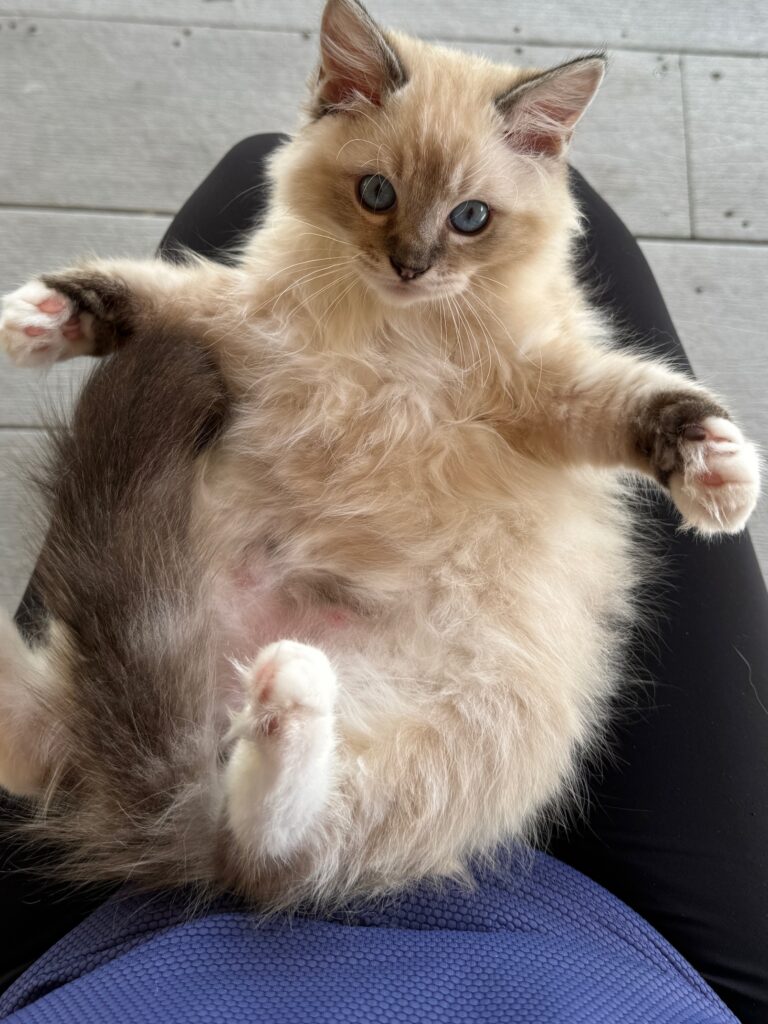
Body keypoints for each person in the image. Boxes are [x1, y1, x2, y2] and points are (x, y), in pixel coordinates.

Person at [2, 136, 766, 1023]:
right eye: (379, 197)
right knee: (506, 711)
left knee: (154, 505)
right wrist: (671, 434)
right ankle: (262, 805)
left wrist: (107, 308)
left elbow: (240, 316)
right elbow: (564, 390)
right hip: (590, 974)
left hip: (128, 968)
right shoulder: (488, 281)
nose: (414, 253)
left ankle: (80, 741)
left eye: (464, 221)